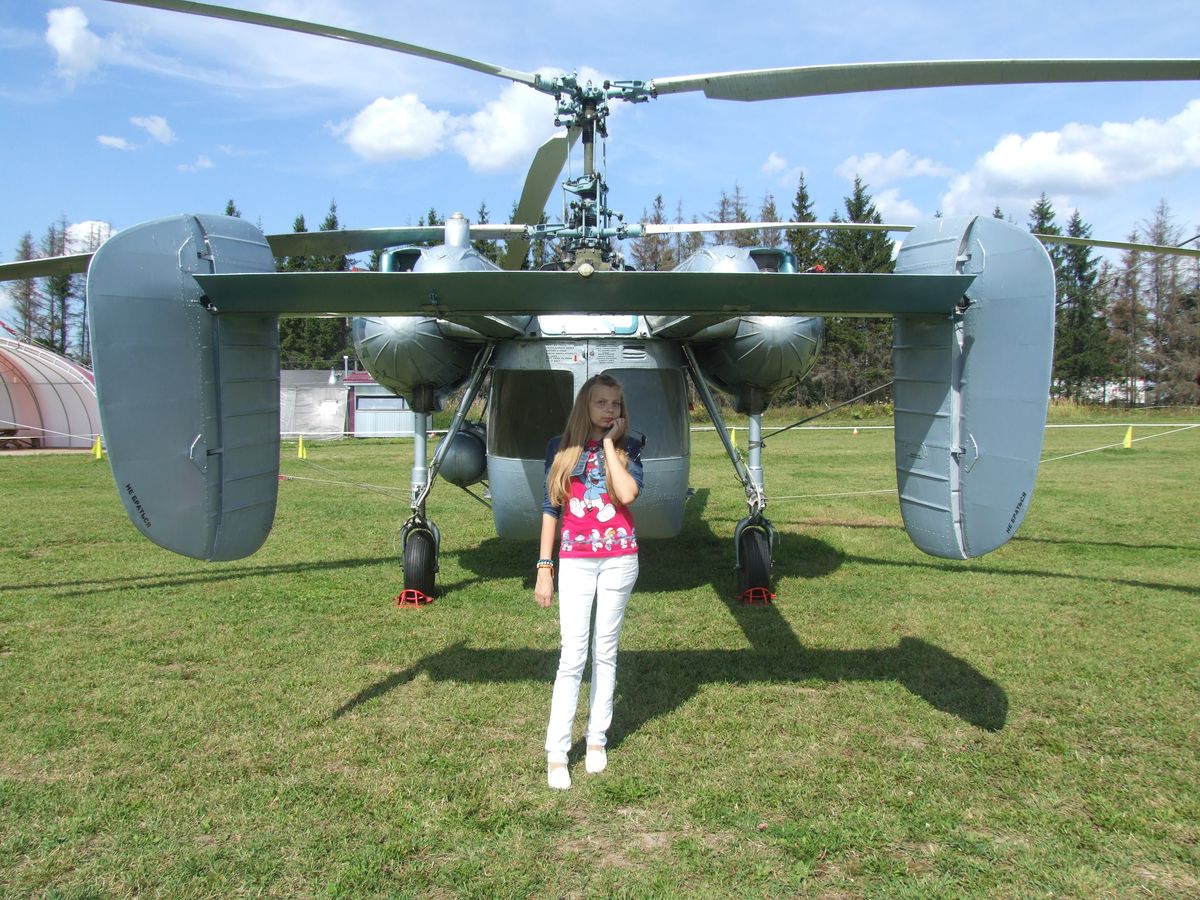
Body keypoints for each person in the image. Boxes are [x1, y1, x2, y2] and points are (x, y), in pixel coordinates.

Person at [536, 374, 644, 790]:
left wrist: (611, 446)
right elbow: (551, 508)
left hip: (620, 559)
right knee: (572, 656)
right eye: (601, 402)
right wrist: (544, 567)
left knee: (605, 652)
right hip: (576, 561)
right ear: (586, 405)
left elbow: (627, 494)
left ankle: (597, 739)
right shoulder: (559, 448)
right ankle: (557, 752)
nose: (609, 410)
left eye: (615, 403)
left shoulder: (631, 446)